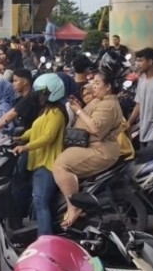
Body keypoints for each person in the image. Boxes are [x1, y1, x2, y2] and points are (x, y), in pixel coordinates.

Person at [54, 71, 125, 227]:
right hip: (89, 146)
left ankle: (74, 207)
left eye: (98, 83)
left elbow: (96, 129)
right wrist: (78, 107)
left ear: (108, 87)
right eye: (93, 82)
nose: (94, 86)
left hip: (100, 150)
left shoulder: (108, 105)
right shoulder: (100, 100)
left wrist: (79, 111)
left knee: (61, 166)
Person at [13, 74, 66, 236]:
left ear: (53, 92)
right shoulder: (46, 112)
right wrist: (20, 138)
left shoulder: (57, 114)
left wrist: (26, 147)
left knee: (40, 203)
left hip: (47, 164)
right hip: (38, 162)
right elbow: (35, 130)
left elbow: (48, 137)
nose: (39, 96)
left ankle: (45, 238)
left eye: (42, 93)